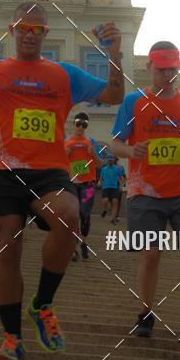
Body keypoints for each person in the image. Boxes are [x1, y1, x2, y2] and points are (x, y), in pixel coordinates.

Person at [0, 2, 123, 360]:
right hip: (1, 169)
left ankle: (42, 304)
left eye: (37, 29)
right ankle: (12, 338)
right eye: (24, 27)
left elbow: (114, 95)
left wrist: (115, 54)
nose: (29, 34)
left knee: (69, 215)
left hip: (48, 170)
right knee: (8, 246)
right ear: (12, 30)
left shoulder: (64, 74)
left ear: (45, 34)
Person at [110, 41, 180, 348]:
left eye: (173, 68)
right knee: (150, 253)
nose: (168, 74)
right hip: (144, 192)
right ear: (150, 68)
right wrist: (132, 150)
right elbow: (115, 144)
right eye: (162, 68)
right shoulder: (134, 102)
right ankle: (145, 313)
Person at [65, 112, 104, 261]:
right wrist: (65, 154)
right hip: (72, 184)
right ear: (74, 124)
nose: (81, 127)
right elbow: (60, 163)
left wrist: (93, 154)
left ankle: (84, 243)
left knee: (84, 214)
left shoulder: (91, 142)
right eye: (78, 123)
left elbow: (100, 164)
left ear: (87, 126)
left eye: (84, 124)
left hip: (88, 184)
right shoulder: (67, 142)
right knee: (73, 215)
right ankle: (74, 248)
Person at [99, 154, 126, 223]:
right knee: (106, 201)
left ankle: (114, 218)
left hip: (115, 187)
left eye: (113, 159)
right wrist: (102, 185)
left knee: (115, 202)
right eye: (109, 159)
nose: (111, 161)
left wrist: (121, 186)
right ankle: (106, 211)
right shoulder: (104, 169)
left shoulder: (119, 168)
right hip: (106, 187)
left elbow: (123, 177)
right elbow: (101, 178)